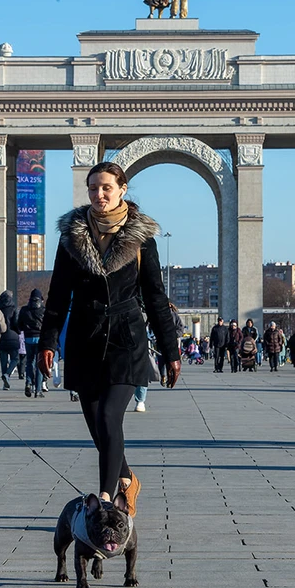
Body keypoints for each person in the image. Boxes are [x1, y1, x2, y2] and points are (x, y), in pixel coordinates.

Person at [37, 161, 181, 518]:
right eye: (92, 189)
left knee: (108, 415)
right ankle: (128, 479)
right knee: (96, 425)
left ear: (122, 189)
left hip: (125, 337)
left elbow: (155, 296)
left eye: (105, 188)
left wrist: (170, 351)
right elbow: (58, 294)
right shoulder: (72, 234)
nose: (98, 195)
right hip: (85, 339)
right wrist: (48, 341)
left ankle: (105, 501)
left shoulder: (140, 237)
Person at [18, 288, 46, 398]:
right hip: (40, 338)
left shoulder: (24, 309)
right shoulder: (43, 310)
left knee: (29, 362)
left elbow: (19, 324)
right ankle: (38, 390)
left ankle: (28, 383)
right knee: (39, 364)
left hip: (28, 337)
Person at [0, 290, 20, 390]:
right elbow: (16, 322)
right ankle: (7, 374)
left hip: (1, 337)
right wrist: (18, 331)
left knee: (3, 360)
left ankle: (4, 383)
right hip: (13, 336)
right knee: (15, 358)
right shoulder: (14, 309)